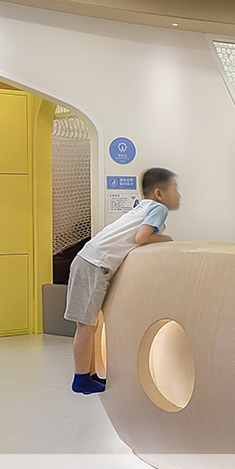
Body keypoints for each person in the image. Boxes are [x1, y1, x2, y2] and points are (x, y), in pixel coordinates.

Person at [65, 166, 179, 394]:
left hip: (88, 259)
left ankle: (90, 373)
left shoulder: (141, 207)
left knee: (90, 324)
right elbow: (142, 237)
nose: (178, 195)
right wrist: (167, 239)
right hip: (95, 264)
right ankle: (81, 378)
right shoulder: (158, 208)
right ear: (159, 193)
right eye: (175, 189)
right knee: (86, 325)